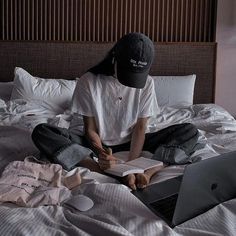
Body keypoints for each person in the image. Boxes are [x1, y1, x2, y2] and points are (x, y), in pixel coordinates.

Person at [32, 32, 199, 190]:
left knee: (189, 131)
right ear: (114, 58)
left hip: (133, 140)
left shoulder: (148, 83)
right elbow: (90, 129)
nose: (131, 81)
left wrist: (133, 166)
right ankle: (98, 169)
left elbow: (141, 127)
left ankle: (150, 171)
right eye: (128, 72)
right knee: (42, 132)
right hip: (96, 142)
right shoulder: (89, 81)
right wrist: (102, 155)